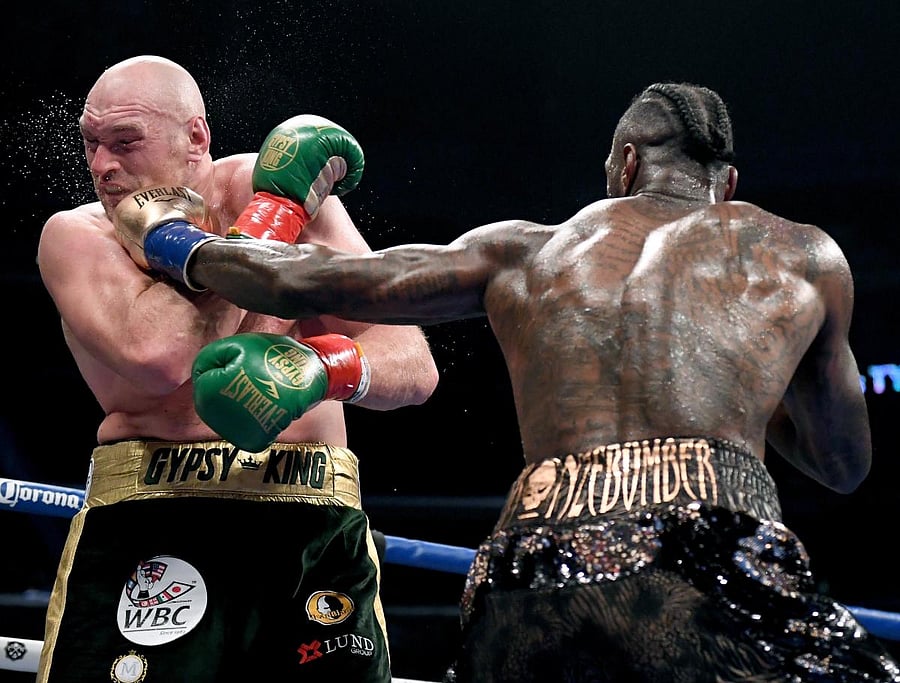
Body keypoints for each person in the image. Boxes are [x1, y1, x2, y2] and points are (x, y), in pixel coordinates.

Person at [114, 81, 900, 682]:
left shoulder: (524, 250)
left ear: (624, 165)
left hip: (533, 560)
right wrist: (748, 378)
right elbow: (843, 463)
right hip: (710, 545)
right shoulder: (803, 255)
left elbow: (299, 282)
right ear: (727, 186)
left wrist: (169, 235)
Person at [35, 54, 439, 683]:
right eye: (91, 145)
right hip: (153, 517)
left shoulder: (267, 182)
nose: (103, 166)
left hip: (311, 523)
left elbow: (414, 365)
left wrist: (320, 366)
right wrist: (272, 224)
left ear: (195, 137)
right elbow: (163, 358)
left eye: (124, 143)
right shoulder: (79, 235)